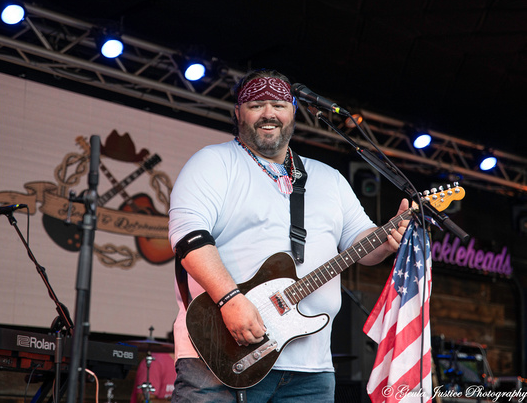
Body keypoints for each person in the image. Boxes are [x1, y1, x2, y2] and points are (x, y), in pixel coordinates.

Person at [167, 68, 409, 403]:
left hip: (311, 369)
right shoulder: (213, 162)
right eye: (256, 104)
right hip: (222, 355)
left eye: (279, 104)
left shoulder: (330, 179)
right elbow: (188, 238)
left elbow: (362, 244)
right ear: (237, 113)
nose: (269, 113)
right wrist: (230, 300)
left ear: (294, 111)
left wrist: (386, 237)